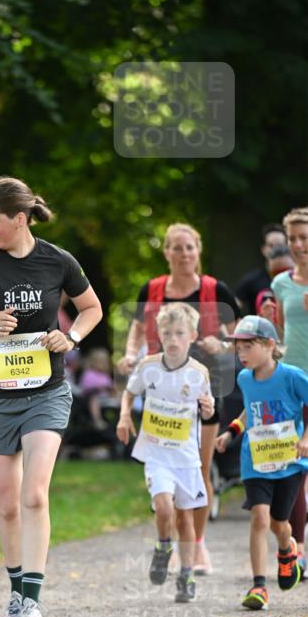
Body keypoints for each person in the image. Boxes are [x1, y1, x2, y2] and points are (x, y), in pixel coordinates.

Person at [0, 176, 103, 617]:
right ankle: (16, 594)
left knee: (34, 494)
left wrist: (70, 337)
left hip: (46, 393)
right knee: (8, 503)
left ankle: (32, 604)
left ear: (19, 219)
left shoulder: (58, 260)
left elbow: (91, 308)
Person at [117, 222, 239, 574]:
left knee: (198, 469)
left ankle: (197, 545)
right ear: (166, 252)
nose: (184, 254)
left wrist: (222, 344)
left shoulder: (216, 289)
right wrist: (131, 354)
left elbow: (241, 335)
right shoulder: (152, 289)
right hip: (161, 396)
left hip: (204, 390)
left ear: (198, 251)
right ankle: (170, 539)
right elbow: (137, 329)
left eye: (189, 247)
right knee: (163, 471)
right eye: (176, 247)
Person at [116, 303, 214, 603]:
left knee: (185, 520)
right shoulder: (148, 366)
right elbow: (129, 392)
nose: (173, 339)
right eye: (167, 333)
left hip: (186, 457)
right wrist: (124, 416)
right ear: (158, 334)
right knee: (163, 507)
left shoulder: (198, 373)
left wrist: (208, 409)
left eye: (180, 333)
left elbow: (207, 408)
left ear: (192, 336)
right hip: (156, 453)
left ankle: (186, 575)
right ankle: (163, 546)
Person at [215, 315, 308, 610]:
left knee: (279, 524)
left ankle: (287, 548)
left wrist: (306, 438)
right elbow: (249, 410)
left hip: (289, 462)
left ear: (269, 345)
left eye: (247, 347)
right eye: (238, 348)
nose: (241, 354)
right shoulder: (245, 378)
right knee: (259, 518)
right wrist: (231, 432)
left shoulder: (292, 376)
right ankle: (259, 586)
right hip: (255, 460)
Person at [271, 206, 308, 578]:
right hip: (291, 383)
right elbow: (281, 335)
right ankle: (298, 551)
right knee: (294, 470)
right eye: (292, 238)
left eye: (304, 237)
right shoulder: (281, 283)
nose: (298, 245)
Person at [234, 224, 290, 316]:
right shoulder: (251, 280)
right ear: (264, 249)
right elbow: (233, 307)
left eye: (281, 245)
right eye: (271, 245)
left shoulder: (298, 278)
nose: (277, 249)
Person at [78, 348, 116, 430]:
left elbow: (111, 387)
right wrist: (99, 388)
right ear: (93, 362)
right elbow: (85, 388)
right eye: (99, 362)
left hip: (106, 398)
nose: (102, 364)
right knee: (94, 398)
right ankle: (97, 420)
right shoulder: (89, 374)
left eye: (104, 362)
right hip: (91, 399)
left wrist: (112, 390)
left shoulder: (105, 376)